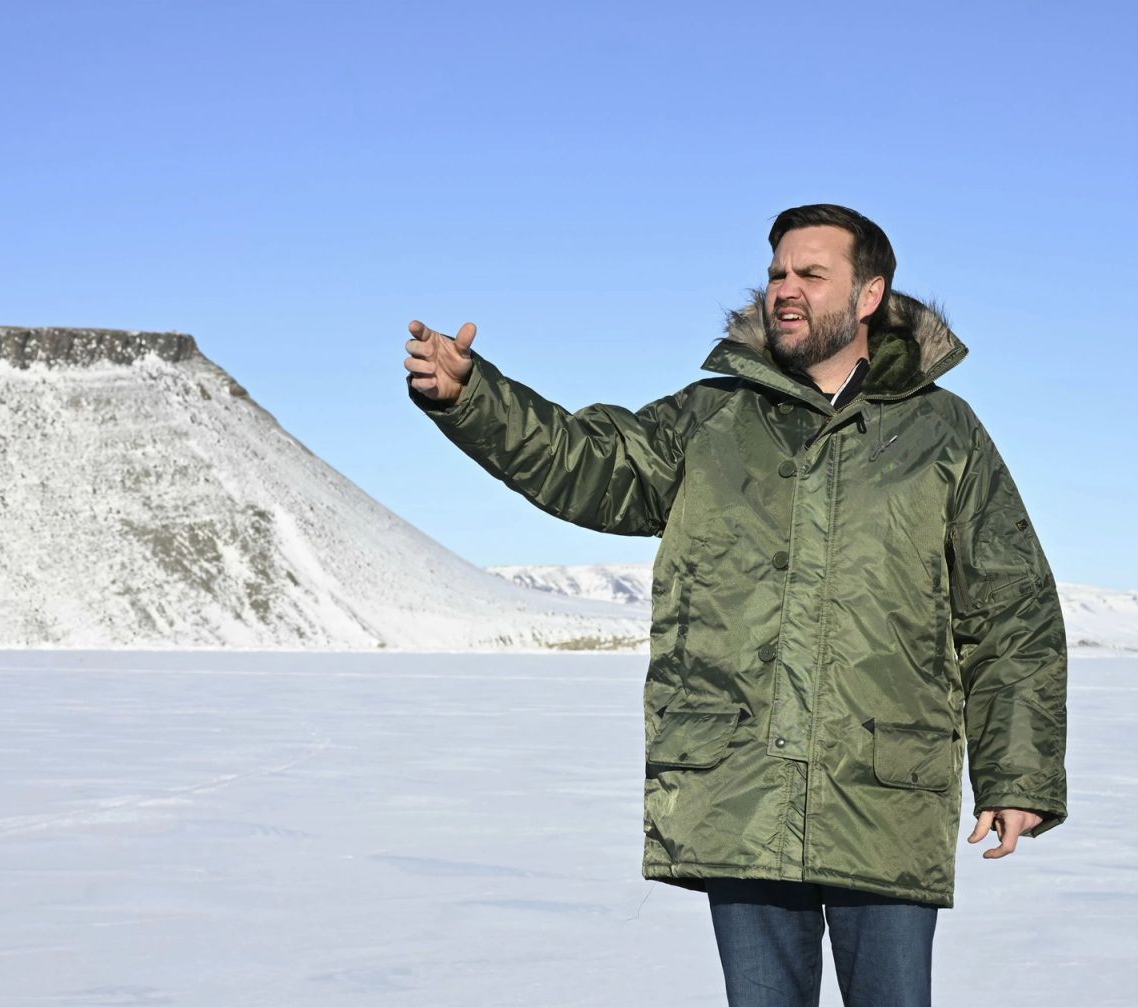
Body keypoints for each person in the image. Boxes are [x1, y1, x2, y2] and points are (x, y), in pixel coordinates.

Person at [403, 204, 1067, 1007]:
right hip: (743, 788)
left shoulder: (943, 432)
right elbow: (588, 463)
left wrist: (1017, 773)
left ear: (868, 295)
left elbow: (1011, 611)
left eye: (811, 273)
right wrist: (474, 397)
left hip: (885, 794)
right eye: (777, 272)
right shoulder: (711, 417)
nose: (785, 288)